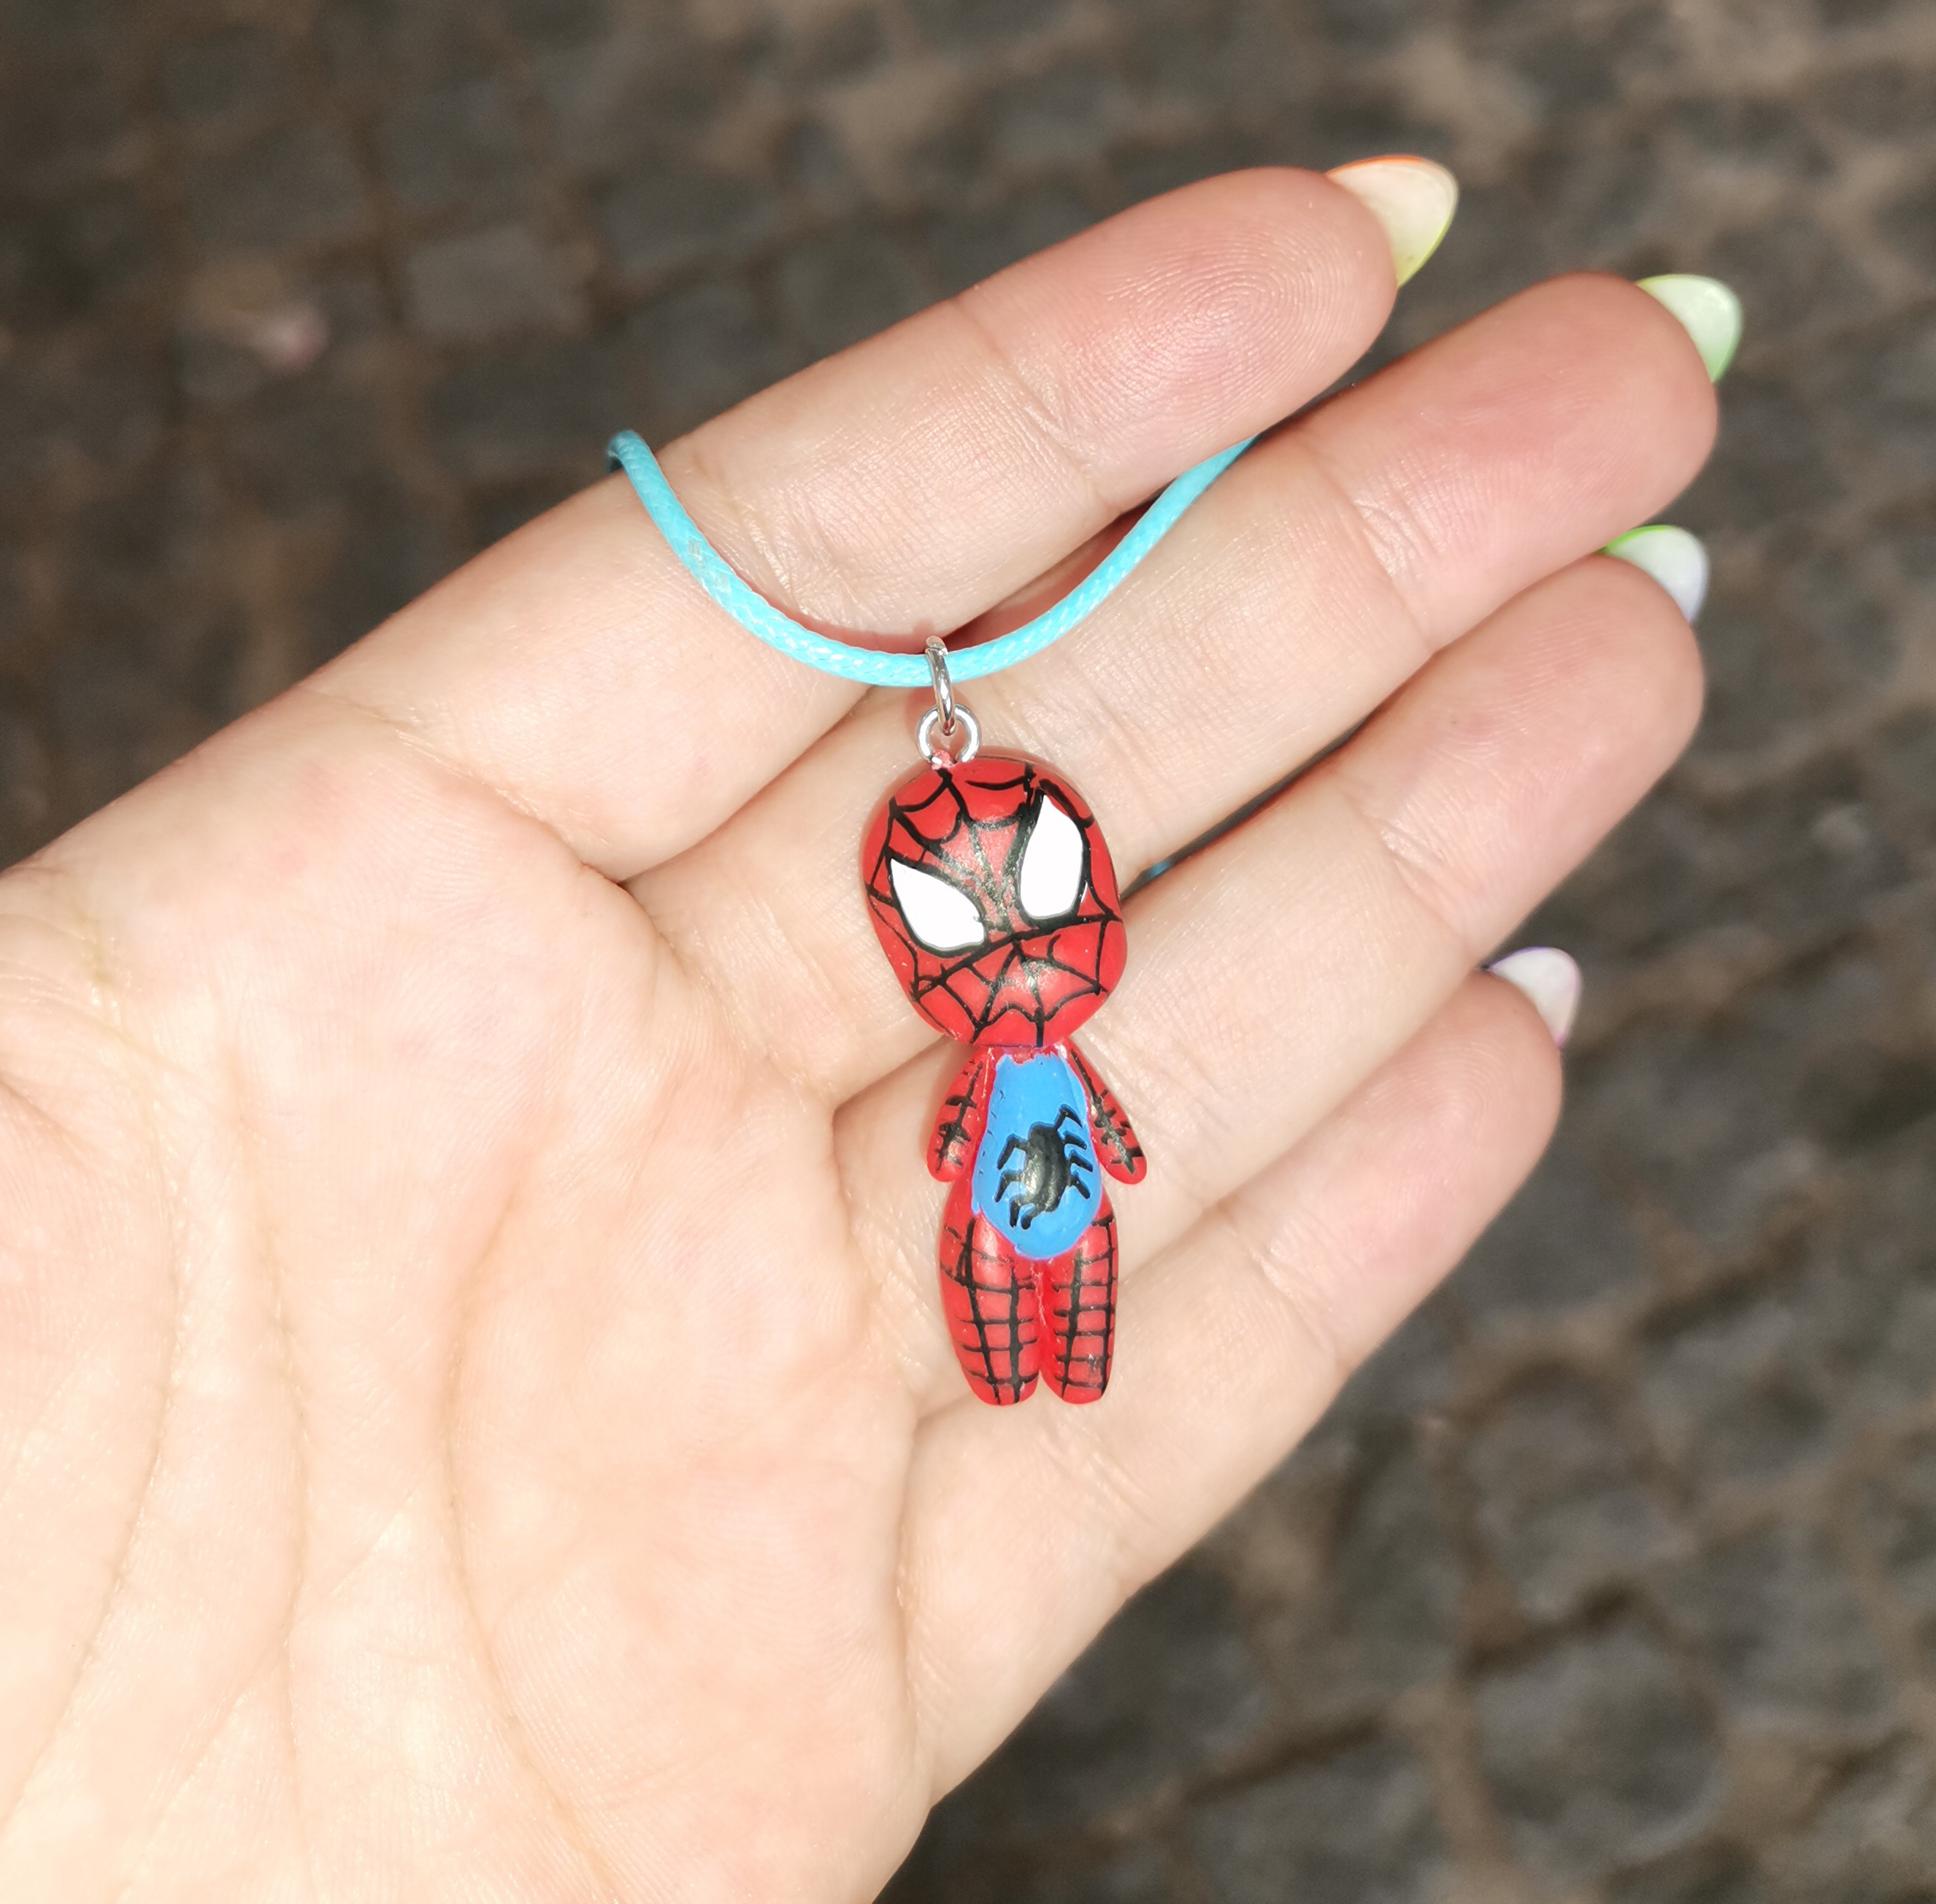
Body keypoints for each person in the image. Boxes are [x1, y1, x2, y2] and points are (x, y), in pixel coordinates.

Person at [0, 164, 1724, 1898]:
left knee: (1069, 1268)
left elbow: (1080, 1126)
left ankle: (1054, 1350)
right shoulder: (986, 1029)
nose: (1024, 950)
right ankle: (1031, 1351)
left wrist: (1087, 1124)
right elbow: (988, 1132)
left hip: (1035, 1145)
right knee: (1007, 1269)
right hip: (1003, 1156)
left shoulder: (1028, 1021)